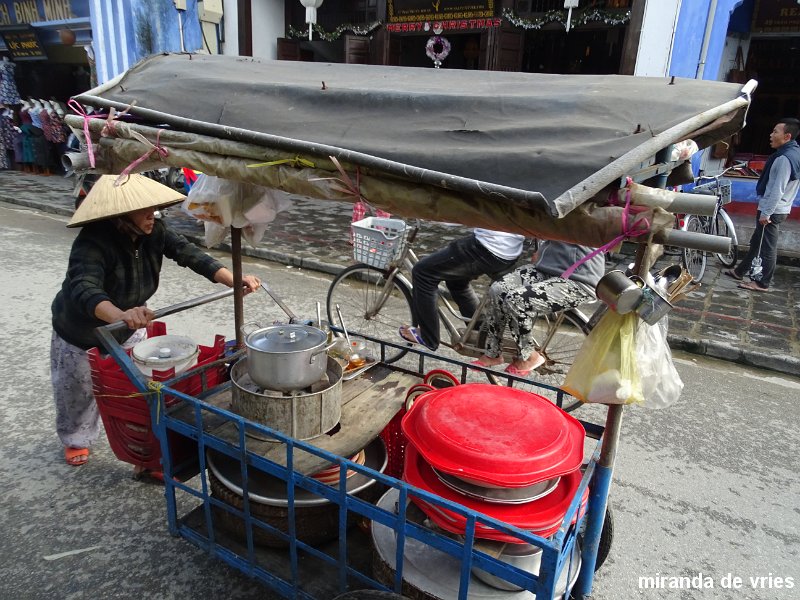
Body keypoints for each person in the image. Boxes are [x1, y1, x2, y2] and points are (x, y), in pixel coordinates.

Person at [50, 174, 261, 467]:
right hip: (83, 327)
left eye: (153, 209)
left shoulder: (155, 231)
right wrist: (120, 315)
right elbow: (86, 288)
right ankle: (75, 437)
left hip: (131, 321)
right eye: (144, 210)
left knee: (137, 391)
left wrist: (233, 280)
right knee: (79, 390)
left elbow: (189, 254)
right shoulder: (93, 241)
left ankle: (145, 448)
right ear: (121, 215)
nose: (152, 215)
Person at [474, 240, 604, 376]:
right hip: (547, 269)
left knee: (517, 300)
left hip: (579, 278)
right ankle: (492, 353)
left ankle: (529, 355)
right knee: (498, 289)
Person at [398, 228, 526, 350]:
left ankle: (427, 337)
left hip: (489, 247)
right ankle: (479, 333)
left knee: (422, 273)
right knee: (457, 281)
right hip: (510, 248)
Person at [724, 118, 800, 291]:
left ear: (787, 136)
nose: (771, 135)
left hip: (773, 209)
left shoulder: (784, 159)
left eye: (775, 132)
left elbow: (777, 189)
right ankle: (740, 270)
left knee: (767, 248)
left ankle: (761, 282)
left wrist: (766, 213)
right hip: (779, 207)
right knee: (757, 242)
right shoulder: (795, 152)